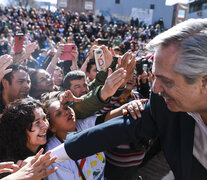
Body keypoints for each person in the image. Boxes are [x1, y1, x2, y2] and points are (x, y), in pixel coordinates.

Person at [49, 19, 207, 180]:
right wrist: (49, 157)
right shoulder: (162, 101)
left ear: (204, 81)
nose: (156, 89)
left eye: (166, 81)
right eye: (155, 77)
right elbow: (116, 130)